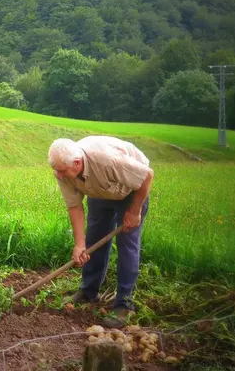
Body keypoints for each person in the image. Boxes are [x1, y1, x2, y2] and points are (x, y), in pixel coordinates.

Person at [47, 136, 154, 328]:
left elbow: (147, 176)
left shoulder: (108, 160)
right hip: (99, 189)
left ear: (77, 163)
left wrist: (134, 211)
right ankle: (88, 291)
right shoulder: (62, 171)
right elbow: (74, 206)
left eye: (62, 170)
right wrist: (79, 244)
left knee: (127, 245)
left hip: (130, 189)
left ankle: (124, 305)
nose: (59, 175)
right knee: (93, 239)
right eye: (57, 170)